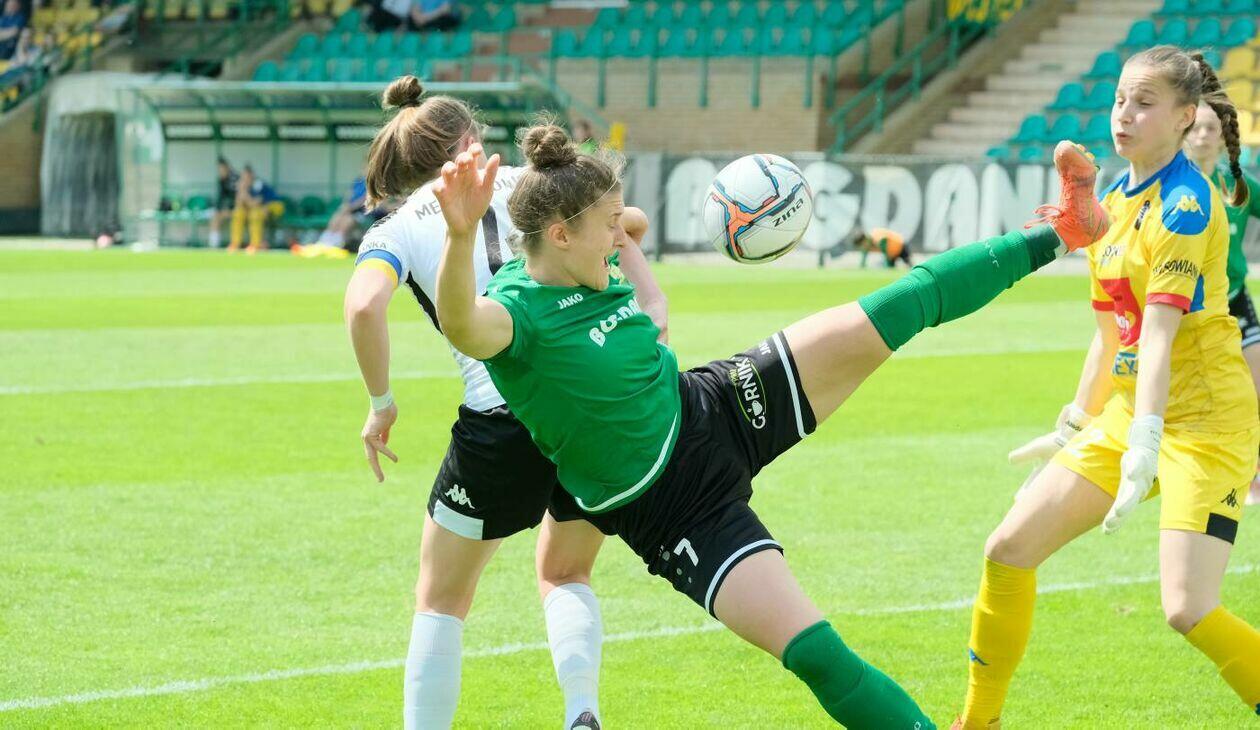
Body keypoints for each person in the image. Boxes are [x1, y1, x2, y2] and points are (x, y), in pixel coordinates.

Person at [430, 115, 1110, 725]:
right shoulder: (515, 312)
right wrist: (461, 236)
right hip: (677, 511)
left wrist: (628, 255)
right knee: (818, 655)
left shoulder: (590, 267)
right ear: (558, 235)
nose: (622, 233)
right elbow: (462, 323)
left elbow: (638, 287)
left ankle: (1066, 230)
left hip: (713, 403)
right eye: (607, 225)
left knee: (903, 302)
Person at [343, 76, 669, 730]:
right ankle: (581, 712)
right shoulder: (533, 183)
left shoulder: (396, 228)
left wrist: (381, 403)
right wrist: (648, 295)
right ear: (471, 138)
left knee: (441, 599)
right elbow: (625, 223)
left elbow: (363, 306)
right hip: (589, 400)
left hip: (501, 415)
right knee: (566, 571)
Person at [955, 47, 1260, 730]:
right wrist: (1074, 422)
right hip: (1133, 410)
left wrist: (1146, 443)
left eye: (1145, 103)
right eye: (1121, 99)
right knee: (1008, 550)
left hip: (1208, 422)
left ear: (1184, 117)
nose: (1124, 114)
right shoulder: (1110, 204)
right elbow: (1113, 333)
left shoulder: (1187, 204)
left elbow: (1160, 336)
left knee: (1187, 608)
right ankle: (977, 723)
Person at [1186, 101, 1260, 507]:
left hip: (1235, 298)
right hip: (1192, 307)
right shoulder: (1174, 187)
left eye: (1210, 128)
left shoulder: (1238, 186)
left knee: (1256, 386)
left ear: (1223, 137)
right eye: (1195, 127)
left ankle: (1252, 474)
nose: (1202, 135)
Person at [228, 165, 284, 254]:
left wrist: (244, 194)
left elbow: (254, 203)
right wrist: (240, 191)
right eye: (243, 177)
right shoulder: (245, 187)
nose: (245, 180)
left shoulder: (258, 185)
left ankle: (256, 244)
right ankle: (235, 243)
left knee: (255, 214)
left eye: (247, 177)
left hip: (275, 206)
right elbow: (238, 204)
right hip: (259, 208)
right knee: (238, 212)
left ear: (252, 176)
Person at [208, 157, 238, 249]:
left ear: (227, 167)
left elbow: (236, 198)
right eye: (219, 169)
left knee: (218, 216)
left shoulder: (234, 179)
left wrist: (229, 209)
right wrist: (219, 209)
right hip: (226, 210)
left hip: (238, 209)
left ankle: (234, 244)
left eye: (222, 168)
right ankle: (213, 245)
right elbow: (220, 199)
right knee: (215, 216)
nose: (220, 171)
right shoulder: (221, 180)